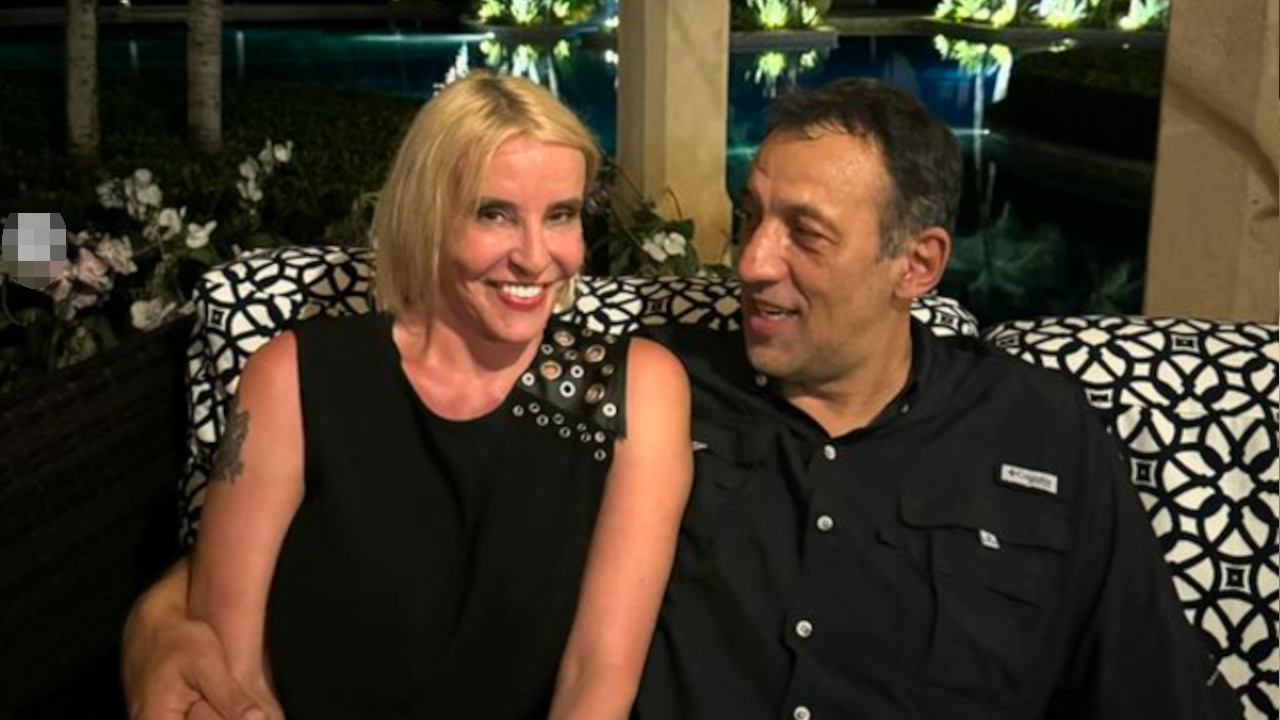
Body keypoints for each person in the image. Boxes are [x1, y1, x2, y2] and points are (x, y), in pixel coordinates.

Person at [122, 78, 1242, 720]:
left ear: (918, 264)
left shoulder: (1041, 432)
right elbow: (404, 494)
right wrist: (160, 627)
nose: (749, 263)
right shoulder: (645, 385)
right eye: (748, 217)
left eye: (803, 235)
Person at [142, 73, 693, 720]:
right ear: (425, 215)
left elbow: (596, 678)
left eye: (561, 215)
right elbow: (231, 667)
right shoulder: (294, 377)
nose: (535, 257)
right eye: (494, 214)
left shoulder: (633, 389)